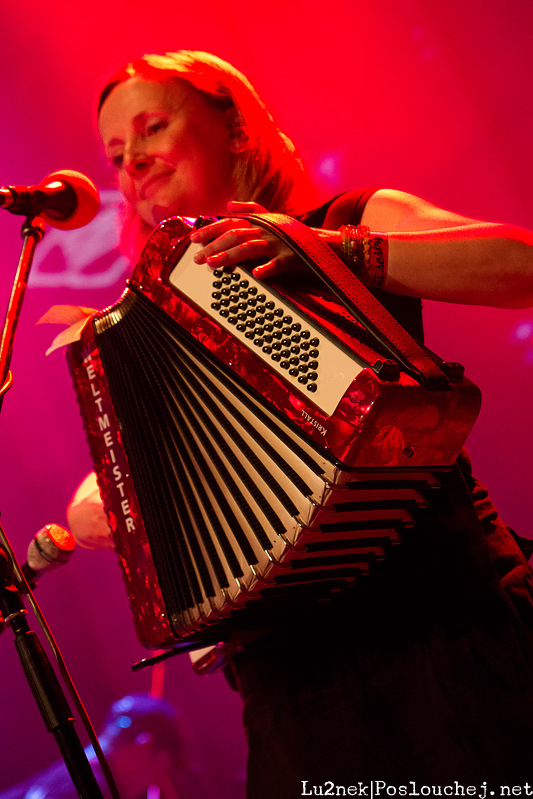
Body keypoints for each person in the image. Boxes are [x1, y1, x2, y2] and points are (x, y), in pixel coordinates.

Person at [90, 51, 533, 797]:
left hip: (443, 630)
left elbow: (519, 263)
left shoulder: (345, 219)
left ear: (234, 129)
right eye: (114, 155)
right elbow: (107, 497)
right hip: (296, 694)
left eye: (152, 127)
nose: (132, 160)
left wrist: (329, 253)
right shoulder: (146, 337)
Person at [0, 693, 212, 799]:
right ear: (144, 747)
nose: (155, 784)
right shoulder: (92, 789)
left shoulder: (70, 769)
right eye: (161, 771)